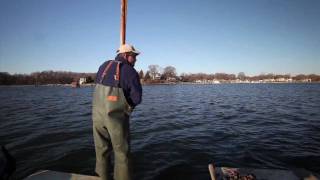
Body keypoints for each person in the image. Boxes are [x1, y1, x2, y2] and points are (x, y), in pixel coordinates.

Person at [92, 44, 142, 180]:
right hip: (116, 119)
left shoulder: (103, 66)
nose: (136, 60)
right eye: (134, 56)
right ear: (126, 56)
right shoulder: (131, 72)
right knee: (122, 154)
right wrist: (127, 106)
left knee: (101, 151)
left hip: (97, 118)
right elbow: (137, 99)